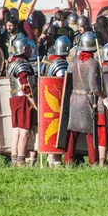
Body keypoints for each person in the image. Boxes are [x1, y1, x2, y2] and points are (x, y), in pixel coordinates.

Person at [64, 32, 108, 166]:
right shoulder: (93, 63)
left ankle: (68, 161)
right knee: (90, 133)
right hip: (87, 100)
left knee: (73, 133)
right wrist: (104, 97)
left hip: (74, 98)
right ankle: (93, 161)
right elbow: (94, 87)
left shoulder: (73, 61)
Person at [6, 38, 37, 167]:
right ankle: (20, 161)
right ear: (24, 49)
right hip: (23, 99)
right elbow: (25, 85)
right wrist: (33, 102)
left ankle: (15, 161)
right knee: (24, 132)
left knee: (16, 132)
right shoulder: (22, 64)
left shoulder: (12, 63)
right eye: (28, 48)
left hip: (14, 99)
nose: (30, 50)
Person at [43, 36, 71, 167]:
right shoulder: (61, 64)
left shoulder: (49, 62)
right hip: (59, 102)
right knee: (58, 129)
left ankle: (50, 158)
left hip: (50, 103)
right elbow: (63, 84)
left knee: (52, 129)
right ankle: (56, 158)